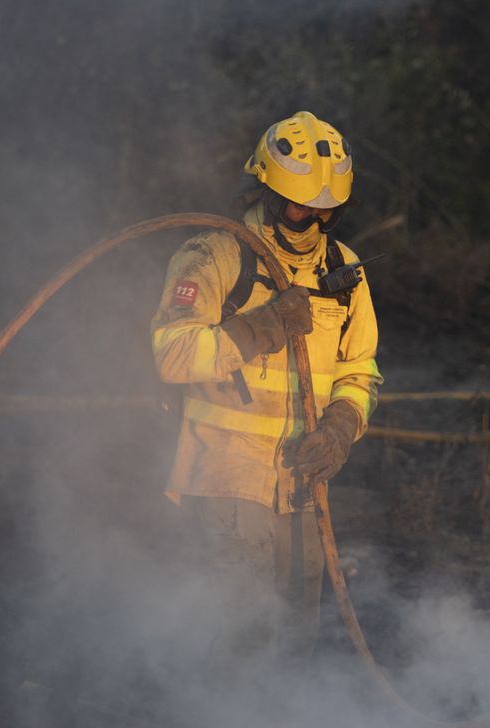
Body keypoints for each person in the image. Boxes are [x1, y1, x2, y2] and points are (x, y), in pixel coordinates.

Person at [151, 111, 381, 655]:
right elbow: (173, 354)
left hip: (301, 487)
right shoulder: (216, 255)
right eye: (301, 207)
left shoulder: (344, 269)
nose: (313, 222)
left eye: (327, 211)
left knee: (296, 632)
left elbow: (360, 369)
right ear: (267, 191)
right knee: (240, 634)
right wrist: (264, 325)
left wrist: (342, 428)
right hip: (226, 477)